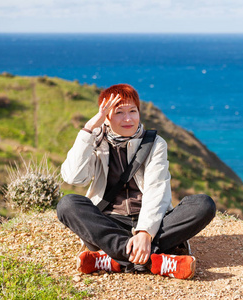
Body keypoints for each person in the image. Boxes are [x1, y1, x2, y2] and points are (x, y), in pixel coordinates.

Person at [56, 83, 216, 279]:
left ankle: (114, 258)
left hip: (154, 222)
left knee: (203, 204)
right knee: (68, 204)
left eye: (133, 111)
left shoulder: (155, 143)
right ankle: (154, 260)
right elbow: (73, 177)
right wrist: (88, 130)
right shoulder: (95, 141)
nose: (128, 119)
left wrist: (145, 232)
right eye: (119, 113)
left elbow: (156, 189)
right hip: (109, 221)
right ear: (105, 116)